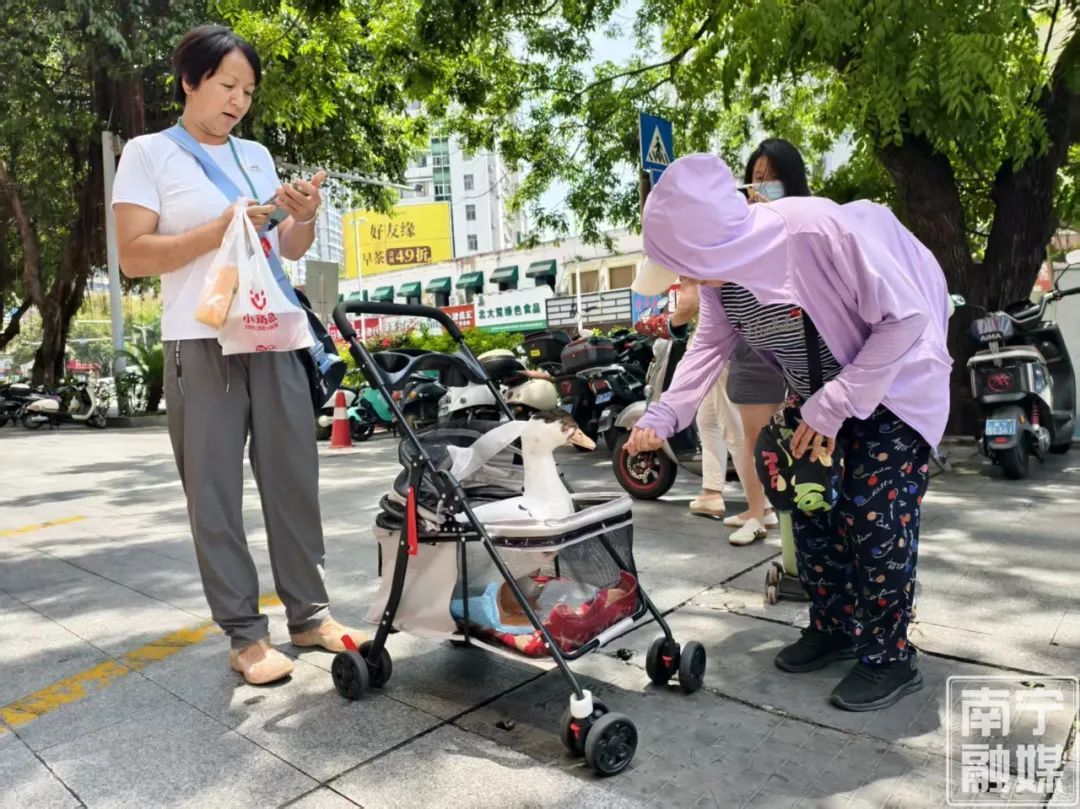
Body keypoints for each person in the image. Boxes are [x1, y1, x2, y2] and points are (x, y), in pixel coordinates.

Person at [627, 152, 951, 711]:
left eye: (682, 262)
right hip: (818, 398)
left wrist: (833, 407)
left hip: (892, 387)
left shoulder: (812, 231)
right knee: (811, 509)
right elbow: (707, 347)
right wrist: (660, 417)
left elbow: (905, 320)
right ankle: (835, 626)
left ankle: (889, 656)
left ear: (708, 243)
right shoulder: (720, 280)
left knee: (873, 518)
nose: (680, 278)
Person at [112, 25, 364, 686]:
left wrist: (300, 214)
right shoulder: (148, 154)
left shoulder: (254, 154)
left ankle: (309, 614)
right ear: (190, 80)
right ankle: (245, 634)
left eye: (247, 90)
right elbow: (134, 256)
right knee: (215, 492)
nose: (238, 101)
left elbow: (289, 248)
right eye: (227, 85)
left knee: (292, 475)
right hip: (200, 341)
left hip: (273, 333)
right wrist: (219, 228)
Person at [718, 139, 815, 544]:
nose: (763, 186)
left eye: (774, 178)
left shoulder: (810, 226)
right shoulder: (738, 234)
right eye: (756, 178)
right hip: (755, 349)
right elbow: (711, 332)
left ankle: (792, 513)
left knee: (804, 437)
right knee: (754, 436)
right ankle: (759, 512)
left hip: (807, 353)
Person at [634, 280, 754, 530]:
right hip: (724, 344)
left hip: (716, 349)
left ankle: (760, 508)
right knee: (708, 421)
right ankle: (711, 493)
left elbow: (688, 305)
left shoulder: (691, 257)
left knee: (733, 428)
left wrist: (663, 324)